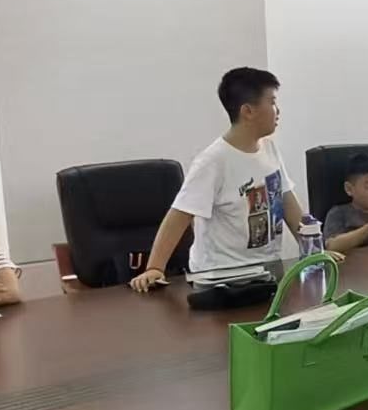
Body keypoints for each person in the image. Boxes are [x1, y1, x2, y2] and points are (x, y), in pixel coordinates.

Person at [130, 67, 326, 291]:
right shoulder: (213, 161)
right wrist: (155, 267)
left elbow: (287, 201)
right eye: (272, 102)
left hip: (267, 271)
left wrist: (314, 251)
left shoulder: (269, 149)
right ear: (248, 111)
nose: (278, 110)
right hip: (222, 280)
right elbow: (179, 215)